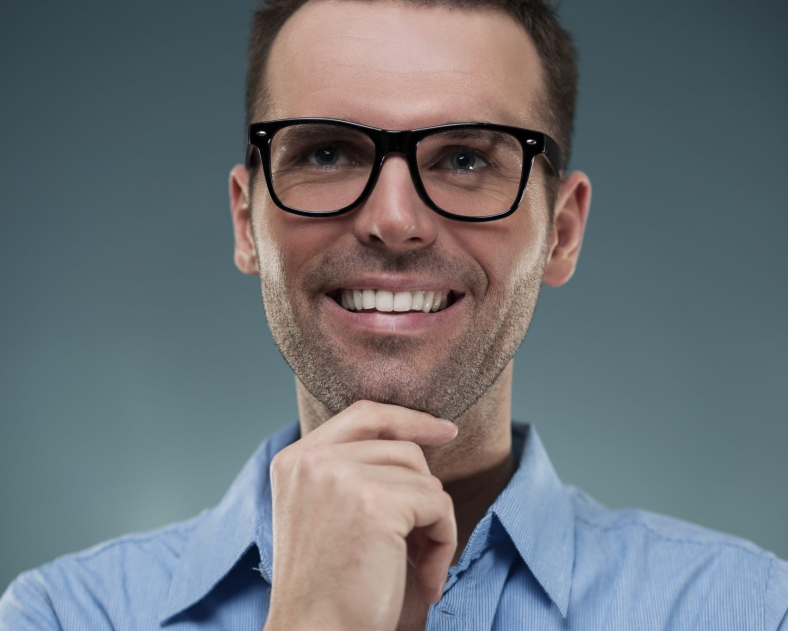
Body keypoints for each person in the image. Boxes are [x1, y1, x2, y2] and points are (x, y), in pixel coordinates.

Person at [2, 0, 787, 629]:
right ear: (247, 222)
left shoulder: (756, 611)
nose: (395, 219)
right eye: (329, 152)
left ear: (563, 232)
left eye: (467, 158)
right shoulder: (66, 615)